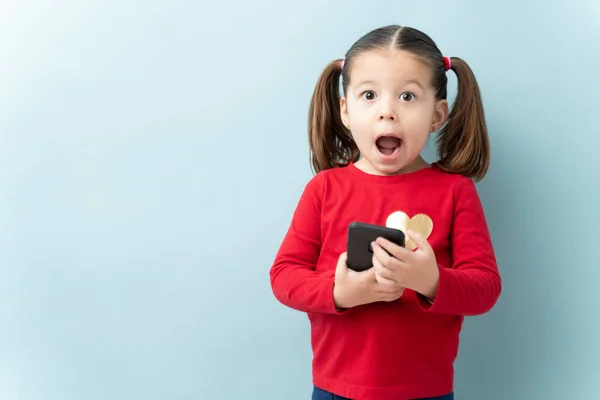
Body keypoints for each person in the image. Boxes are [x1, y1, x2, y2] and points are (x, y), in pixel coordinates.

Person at [269, 24, 502, 400]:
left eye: (408, 96)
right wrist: (339, 292)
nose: (387, 112)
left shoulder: (456, 192)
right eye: (369, 95)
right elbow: (284, 276)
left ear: (437, 115)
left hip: (425, 392)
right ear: (345, 110)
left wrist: (430, 280)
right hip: (335, 390)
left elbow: (486, 288)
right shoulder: (324, 189)